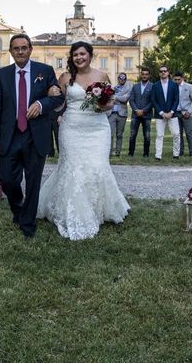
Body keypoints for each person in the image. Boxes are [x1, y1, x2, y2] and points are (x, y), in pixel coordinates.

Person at [37, 41, 129, 240]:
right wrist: (49, 94)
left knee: (98, 166)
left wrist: (105, 105)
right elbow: (56, 103)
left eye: (82, 54)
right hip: (72, 129)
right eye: (75, 55)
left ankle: (98, 210)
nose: (79, 58)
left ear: (90, 55)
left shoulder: (102, 76)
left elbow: (111, 101)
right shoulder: (66, 77)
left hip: (98, 128)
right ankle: (76, 212)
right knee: (73, 168)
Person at [0, 33, 64, 239]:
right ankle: (18, 209)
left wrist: (41, 104)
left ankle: (28, 224)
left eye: (24, 47)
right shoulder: (2, 74)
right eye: (16, 48)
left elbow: (58, 97)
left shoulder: (45, 71)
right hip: (10, 136)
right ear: (11, 52)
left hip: (35, 136)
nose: (20, 51)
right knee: (7, 180)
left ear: (31, 49)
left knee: (33, 182)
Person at [150, 65, 180, 161]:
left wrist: (171, 112)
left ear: (168, 73)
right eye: (161, 71)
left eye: (165, 71)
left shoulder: (174, 85)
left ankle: (176, 154)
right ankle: (158, 156)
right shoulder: (155, 85)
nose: (163, 72)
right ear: (159, 73)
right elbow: (153, 100)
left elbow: (176, 100)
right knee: (159, 135)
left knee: (176, 134)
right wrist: (162, 113)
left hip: (172, 114)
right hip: (160, 115)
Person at [128, 67, 153, 157]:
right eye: (143, 74)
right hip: (135, 114)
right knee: (132, 135)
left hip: (147, 115)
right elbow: (131, 100)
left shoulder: (152, 86)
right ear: (140, 75)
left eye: (146, 74)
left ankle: (146, 154)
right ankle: (131, 153)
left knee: (147, 135)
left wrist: (143, 110)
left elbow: (152, 101)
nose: (144, 76)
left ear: (149, 75)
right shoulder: (135, 86)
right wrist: (136, 110)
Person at [173, 71, 192, 157]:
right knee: (178, 134)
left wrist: (189, 111)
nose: (177, 81)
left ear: (182, 78)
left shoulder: (189, 86)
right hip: (176, 113)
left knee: (189, 133)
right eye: (175, 79)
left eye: (178, 79)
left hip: (186, 113)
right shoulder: (172, 86)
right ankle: (180, 152)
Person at [107, 73, 133, 157]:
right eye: (120, 78)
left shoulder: (128, 88)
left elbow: (125, 99)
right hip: (112, 113)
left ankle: (118, 152)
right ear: (118, 79)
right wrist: (119, 97)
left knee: (119, 134)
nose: (122, 80)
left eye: (123, 78)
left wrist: (114, 97)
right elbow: (109, 98)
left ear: (125, 79)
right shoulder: (113, 88)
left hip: (122, 114)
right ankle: (109, 152)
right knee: (110, 134)